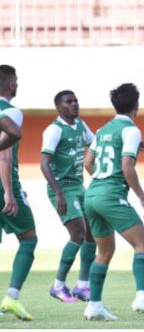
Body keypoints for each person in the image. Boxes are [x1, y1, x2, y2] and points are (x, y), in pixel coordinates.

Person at [82, 83, 144, 321]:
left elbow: (88, 163)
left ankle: (94, 305)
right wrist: (143, 198)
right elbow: (126, 166)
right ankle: (142, 298)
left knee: (104, 251)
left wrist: (101, 182)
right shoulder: (132, 131)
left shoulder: (104, 130)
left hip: (92, 194)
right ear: (136, 105)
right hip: (110, 195)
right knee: (143, 245)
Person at [41, 90, 96, 304]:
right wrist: (59, 193)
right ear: (58, 107)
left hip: (79, 186)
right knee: (78, 234)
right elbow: (44, 164)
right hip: (62, 188)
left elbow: (95, 144)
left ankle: (82, 286)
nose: (74, 104)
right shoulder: (54, 130)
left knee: (92, 234)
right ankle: (58, 285)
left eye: (76, 100)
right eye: (68, 101)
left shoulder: (81, 125)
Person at [0, 65, 37, 322]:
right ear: (11, 84)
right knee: (28, 238)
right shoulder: (11, 112)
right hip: (4, 185)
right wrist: (9, 193)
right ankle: (12, 296)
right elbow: (5, 154)